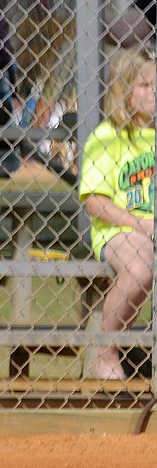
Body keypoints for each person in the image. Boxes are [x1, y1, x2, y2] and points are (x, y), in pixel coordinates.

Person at [79, 48, 155, 380]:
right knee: (139, 269)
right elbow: (95, 202)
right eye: (144, 85)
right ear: (123, 90)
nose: (153, 92)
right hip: (119, 231)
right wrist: (143, 224)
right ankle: (106, 350)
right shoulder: (108, 137)